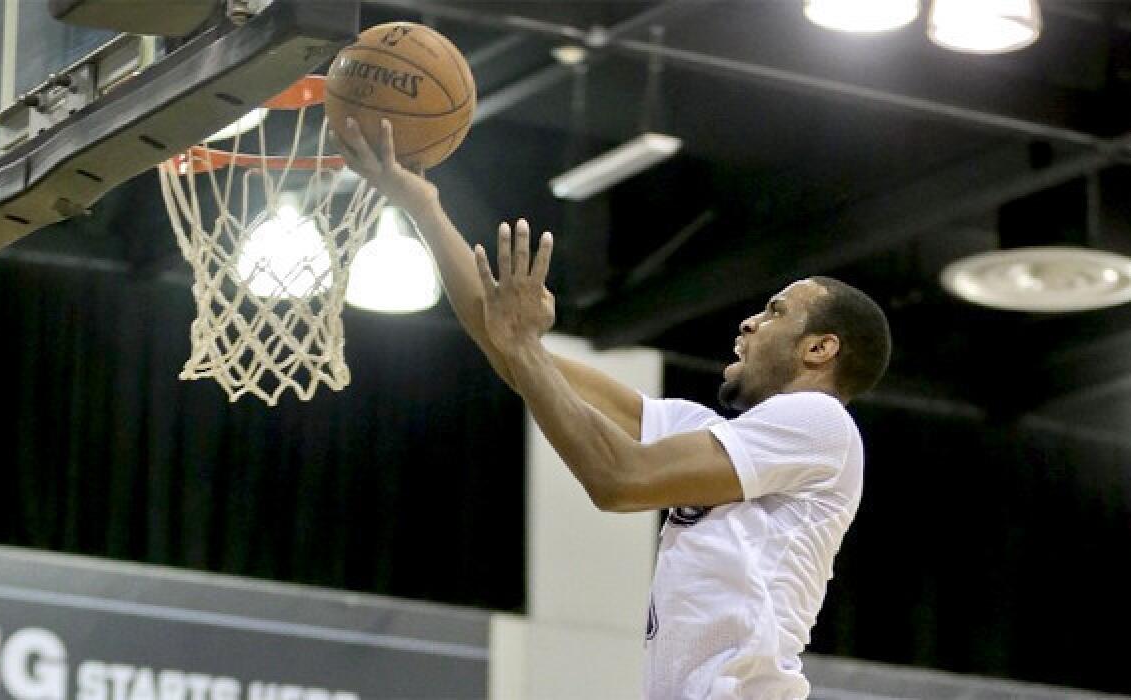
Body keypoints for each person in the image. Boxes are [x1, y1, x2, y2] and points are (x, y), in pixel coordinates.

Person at [336, 118, 892, 700]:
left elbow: (619, 479)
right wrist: (425, 209)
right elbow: (516, 359)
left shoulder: (821, 423)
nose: (749, 321)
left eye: (776, 311)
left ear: (820, 348)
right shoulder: (704, 433)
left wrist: (523, 348)